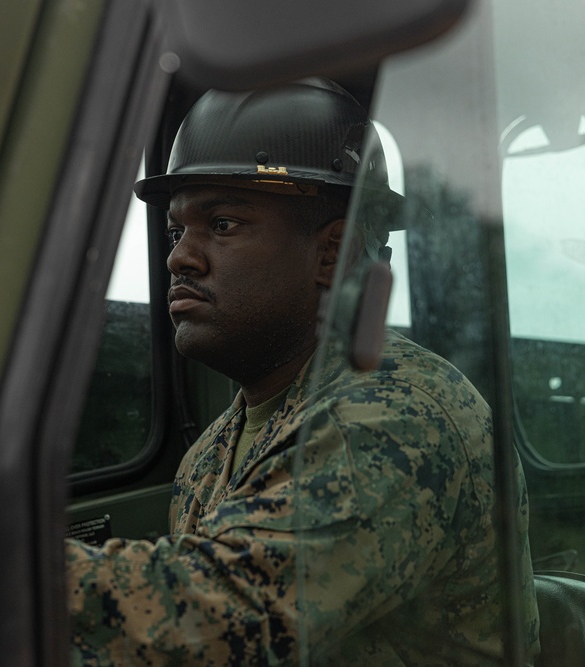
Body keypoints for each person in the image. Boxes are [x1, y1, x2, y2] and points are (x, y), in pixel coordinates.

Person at [65, 78, 539, 665]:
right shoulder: (211, 453)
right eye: (175, 230)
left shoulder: (396, 415)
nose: (179, 256)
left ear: (330, 255)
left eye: (222, 225)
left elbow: (225, 616)